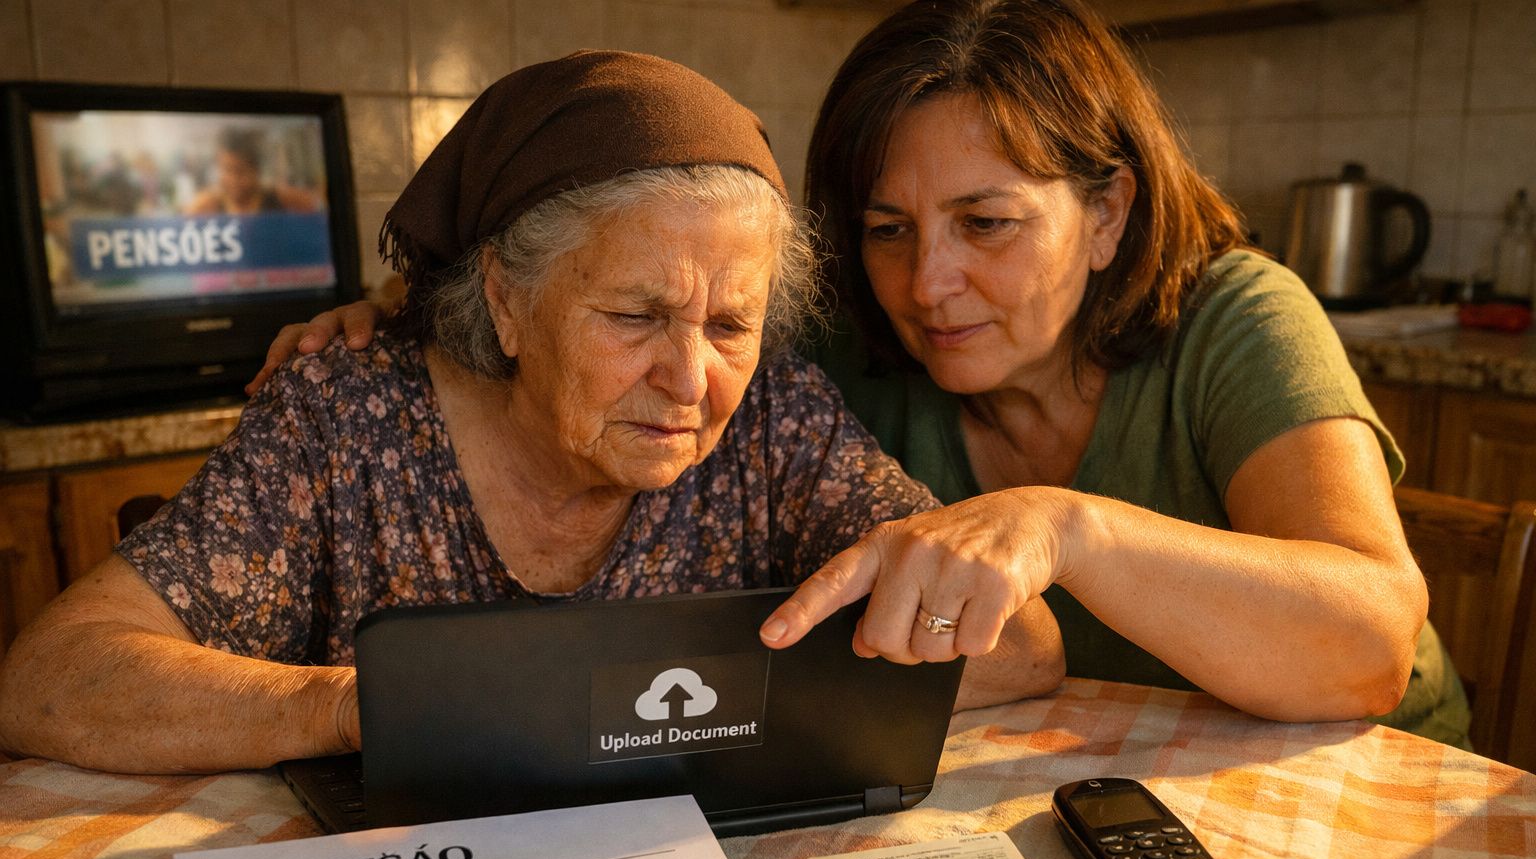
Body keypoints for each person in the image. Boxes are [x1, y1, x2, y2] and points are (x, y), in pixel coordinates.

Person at [256, 0, 1468, 747]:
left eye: (986, 223)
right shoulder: (864, 348)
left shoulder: (1238, 320)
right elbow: (668, 315)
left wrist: (1068, 529)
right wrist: (432, 315)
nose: (929, 283)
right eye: (889, 229)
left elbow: (1367, 645)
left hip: (1344, 768)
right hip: (1072, 774)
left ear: (1106, 213)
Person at [0, 51, 1065, 774]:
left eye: (731, 324)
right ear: (505, 297)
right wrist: (357, 706)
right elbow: (51, 677)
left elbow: (1019, 645)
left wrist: (672, 699)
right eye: (636, 316)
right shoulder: (347, 416)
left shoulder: (774, 415)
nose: (691, 379)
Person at [182, 126, 320, 215]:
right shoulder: (207, 205)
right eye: (226, 169)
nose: (232, 179)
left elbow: (317, 214)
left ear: (256, 171)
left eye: (240, 171)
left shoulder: (282, 199)